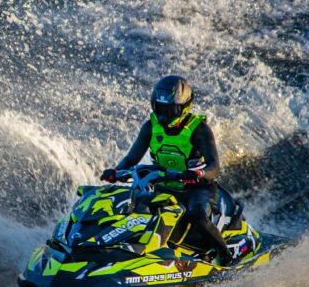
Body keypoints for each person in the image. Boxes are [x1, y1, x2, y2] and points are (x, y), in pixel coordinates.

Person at [100, 75, 233, 266]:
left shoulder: (199, 129)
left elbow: (215, 167)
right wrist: (115, 171)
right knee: (131, 210)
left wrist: (198, 174)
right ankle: (127, 258)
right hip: (163, 187)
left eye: (170, 110)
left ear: (184, 107)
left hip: (197, 190)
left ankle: (227, 257)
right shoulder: (150, 128)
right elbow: (131, 158)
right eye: (160, 109)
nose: (163, 116)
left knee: (197, 217)